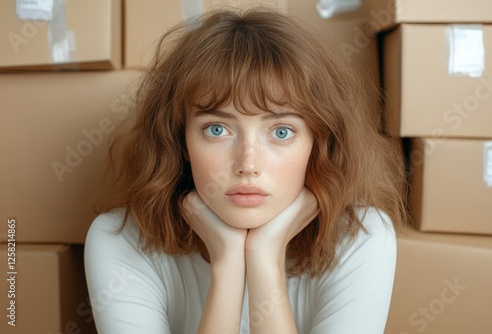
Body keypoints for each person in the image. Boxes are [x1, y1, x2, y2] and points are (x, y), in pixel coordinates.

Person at [84, 8, 407, 334]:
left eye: (281, 132)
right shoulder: (119, 239)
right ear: (179, 141)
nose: (248, 165)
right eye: (216, 130)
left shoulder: (361, 236)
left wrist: (265, 259)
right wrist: (226, 269)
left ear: (319, 143)